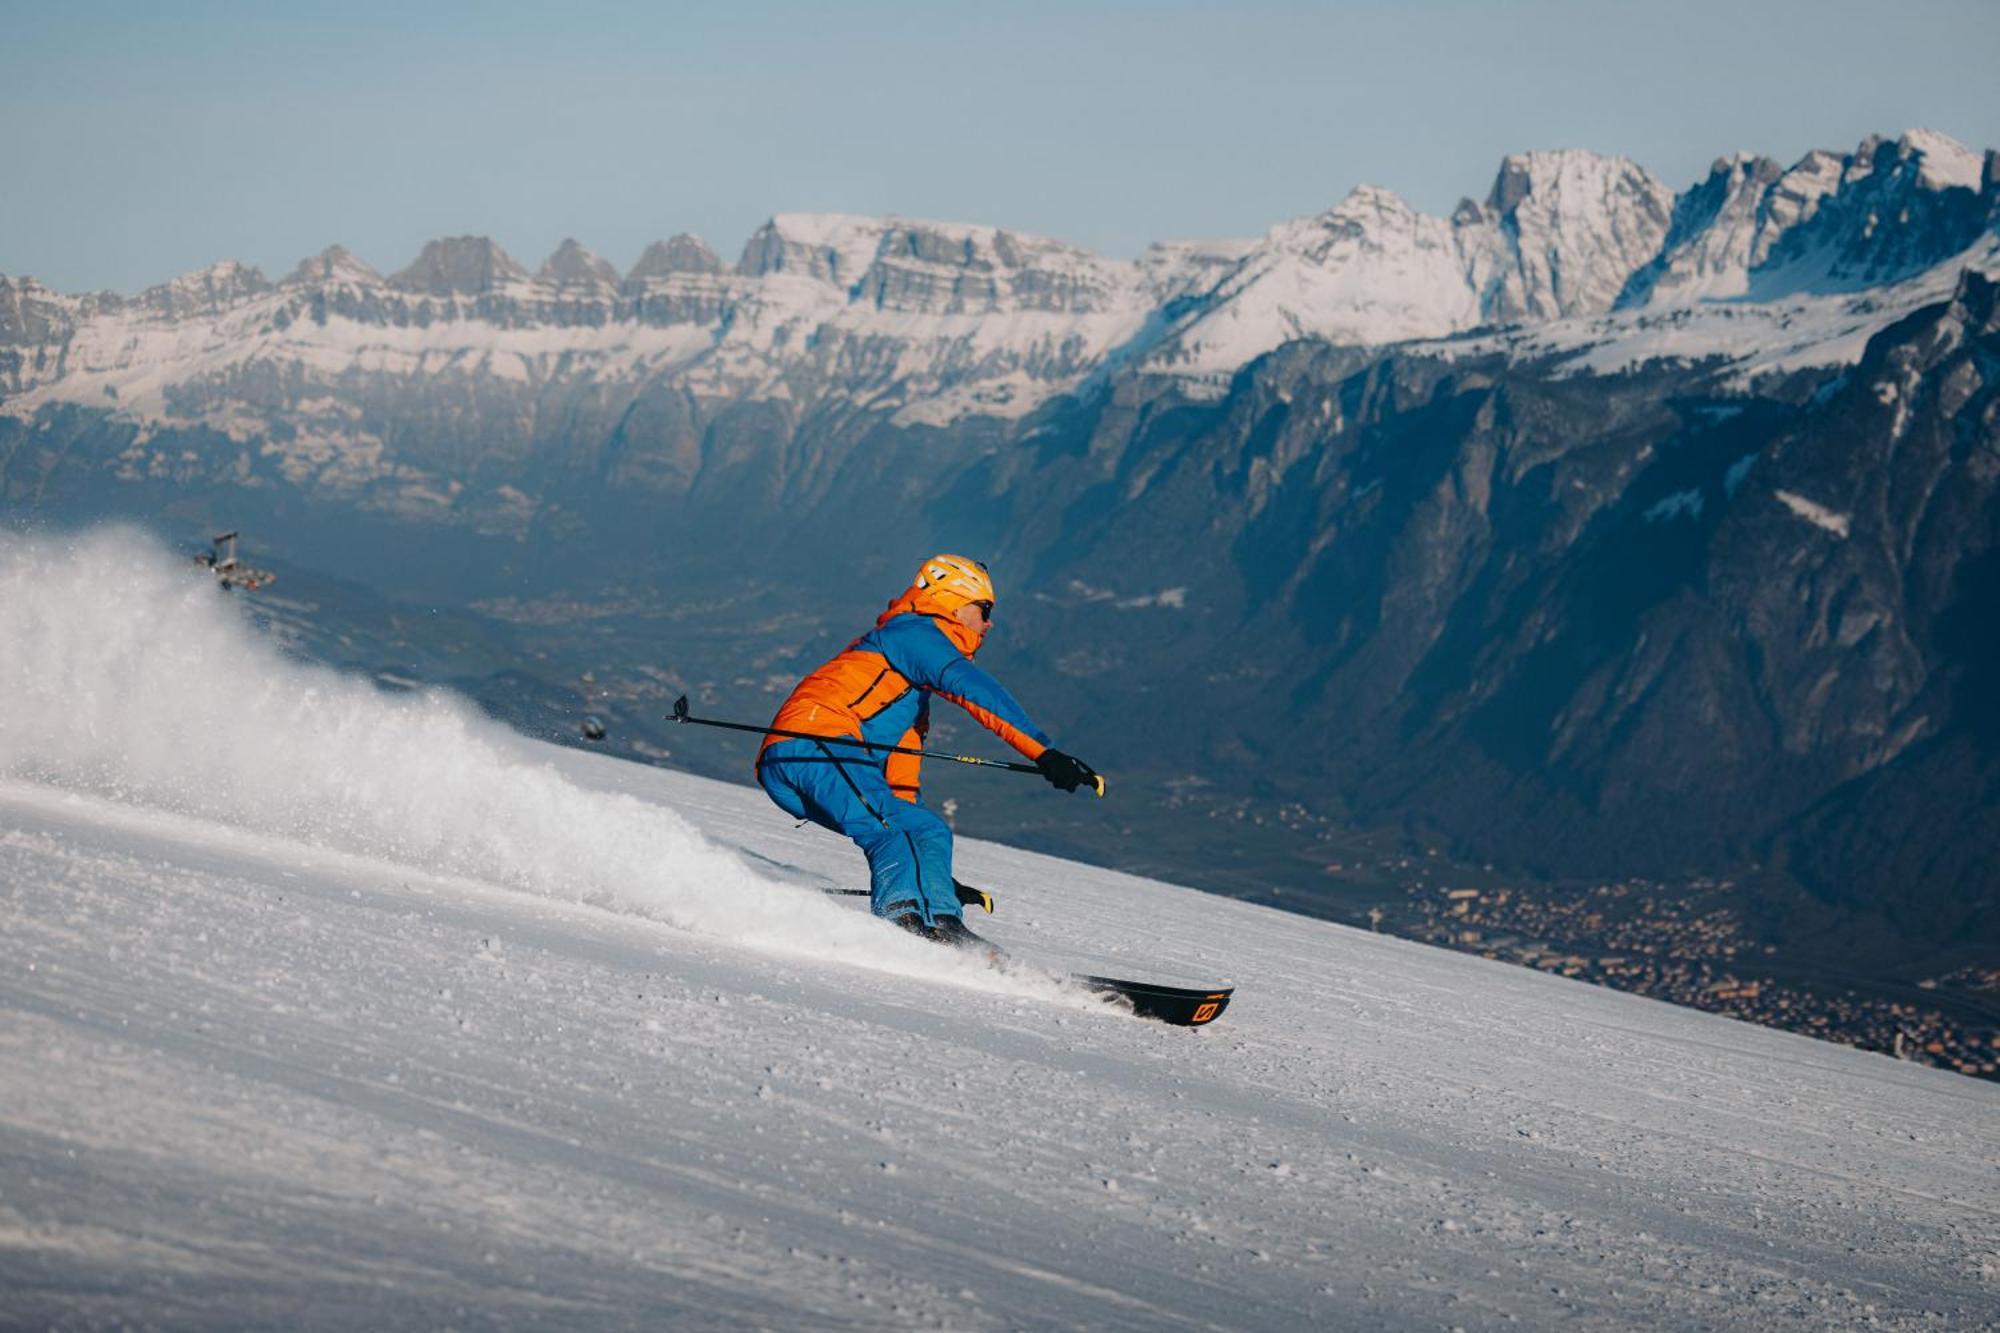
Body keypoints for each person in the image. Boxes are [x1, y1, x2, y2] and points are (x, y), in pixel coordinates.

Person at [757, 554, 1101, 946]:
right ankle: (902, 929)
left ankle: (941, 921)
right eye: (984, 609)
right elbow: (973, 688)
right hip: (810, 743)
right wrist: (1044, 753)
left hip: (822, 759)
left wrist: (935, 878)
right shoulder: (913, 633)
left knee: (927, 829)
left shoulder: (911, 689)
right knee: (888, 829)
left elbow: (900, 780)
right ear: (953, 600)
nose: (989, 623)